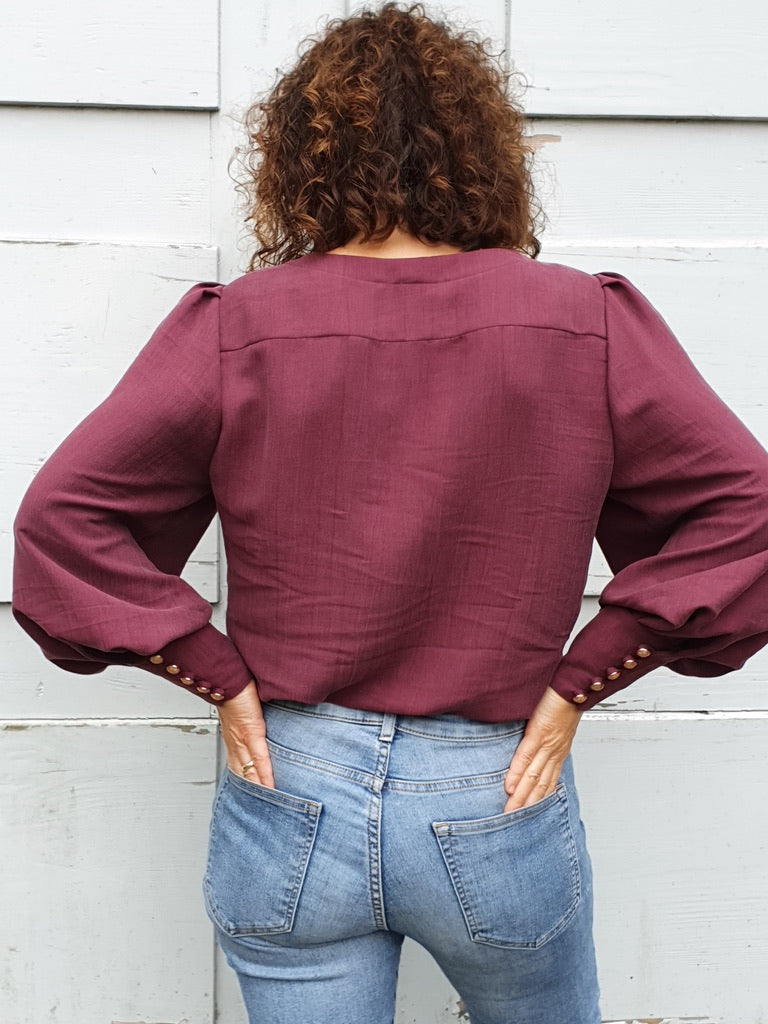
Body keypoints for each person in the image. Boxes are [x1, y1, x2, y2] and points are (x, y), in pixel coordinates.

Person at [11, 3, 768, 1023]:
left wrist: (215, 677)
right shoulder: (582, 322)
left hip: (290, 780)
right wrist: (582, 682)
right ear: (482, 155)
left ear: (303, 161)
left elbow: (61, 525)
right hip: (495, 784)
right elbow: (747, 511)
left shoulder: (238, 327)